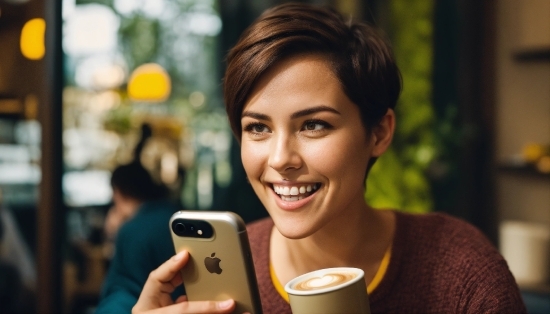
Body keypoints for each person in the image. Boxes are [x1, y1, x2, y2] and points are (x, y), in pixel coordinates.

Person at [128, 3, 526, 313]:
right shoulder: (221, 280)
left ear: (379, 133)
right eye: (258, 128)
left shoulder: (462, 273)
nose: (281, 158)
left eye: (314, 125)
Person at [95, 124, 183, 313]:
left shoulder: (132, 230)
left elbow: (122, 288)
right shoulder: (175, 216)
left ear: (118, 193)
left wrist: (118, 232)